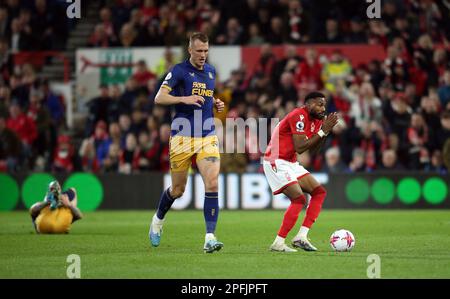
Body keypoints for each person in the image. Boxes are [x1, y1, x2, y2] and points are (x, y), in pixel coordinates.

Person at [149, 32, 225, 253]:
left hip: (207, 135)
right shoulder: (178, 71)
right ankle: (158, 219)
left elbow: (205, 100)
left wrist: (216, 103)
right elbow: (159, 98)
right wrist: (184, 98)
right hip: (182, 137)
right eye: (199, 51)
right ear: (190, 50)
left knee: (212, 183)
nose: (203, 55)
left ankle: (210, 237)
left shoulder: (211, 72)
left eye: (206, 51)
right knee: (178, 190)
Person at [263, 91, 338, 252]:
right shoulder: (298, 115)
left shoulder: (317, 120)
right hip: (275, 160)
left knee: (319, 192)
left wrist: (325, 131)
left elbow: (314, 149)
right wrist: (322, 131)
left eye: (324, 105)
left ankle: (301, 236)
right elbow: (300, 147)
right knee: (298, 199)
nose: (322, 108)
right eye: (319, 104)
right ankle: (278, 242)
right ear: (308, 104)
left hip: (290, 162)